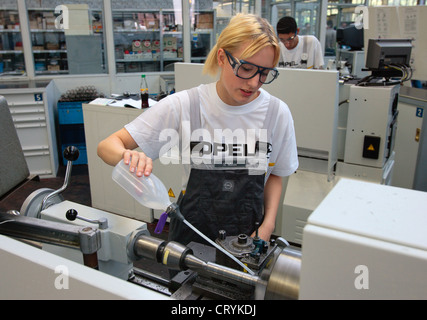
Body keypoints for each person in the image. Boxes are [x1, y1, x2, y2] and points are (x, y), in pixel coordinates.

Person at [97, 13, 298, 246]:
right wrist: (127, 156)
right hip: (191, 239)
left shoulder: (276, 113)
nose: (254, 83)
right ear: (222, 57)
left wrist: (268, 226)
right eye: (246, 68)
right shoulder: (186, 105)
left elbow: (276, 174)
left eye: (264, 73)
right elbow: (106, 146)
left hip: (249, 240)